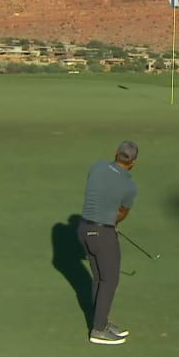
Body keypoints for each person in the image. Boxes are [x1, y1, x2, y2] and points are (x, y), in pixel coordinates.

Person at [77, 141, 139, 345]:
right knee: (110, 281)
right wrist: (110, 222)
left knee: (99, 279)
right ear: (133, 163)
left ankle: (101, 321)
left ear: (115, 154)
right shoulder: (130, 186)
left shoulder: (98, 166)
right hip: (103, 234)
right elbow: (121, 213)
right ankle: (99, 330)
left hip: (84, 229)